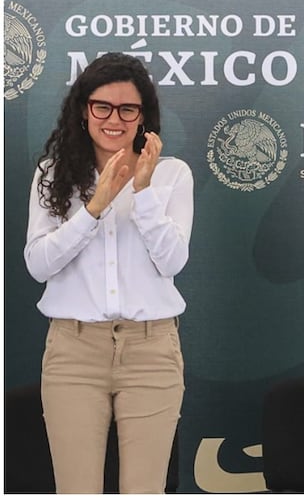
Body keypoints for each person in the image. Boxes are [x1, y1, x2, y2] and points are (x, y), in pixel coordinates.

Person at [24, 52, 192, 493]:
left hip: (151, 350)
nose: (114, 119)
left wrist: (142, 192)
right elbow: (38, 264)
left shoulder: (172, 175)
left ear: (143, 117)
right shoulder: (54, 175)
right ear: (84, 110)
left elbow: (172, 262)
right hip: (74, 352)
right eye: (103, 106)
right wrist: (94, 208)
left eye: (128, 109)